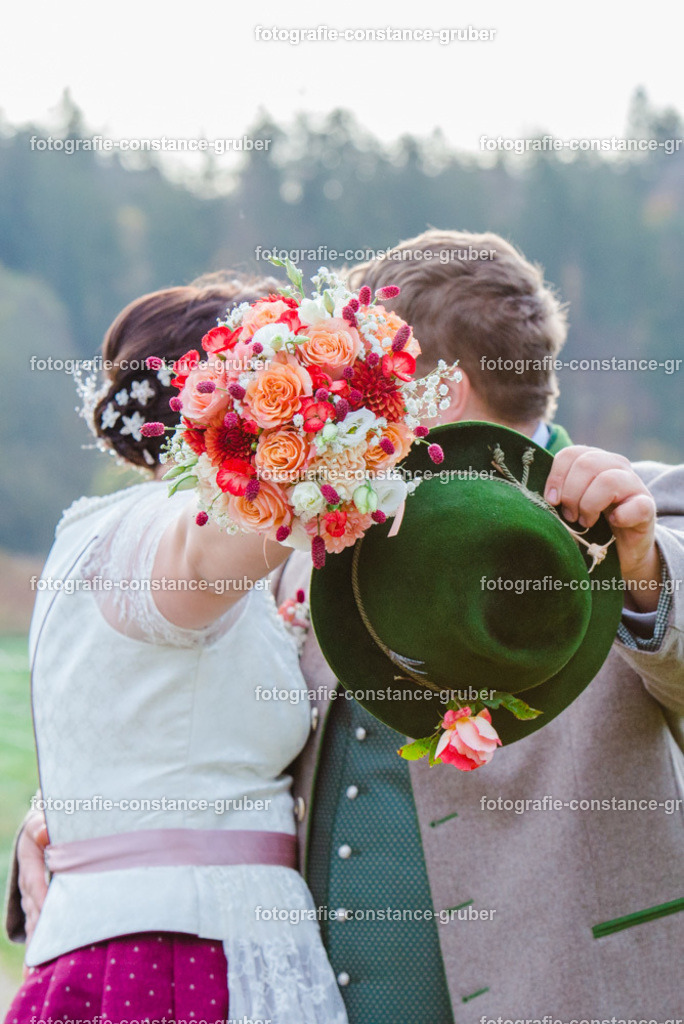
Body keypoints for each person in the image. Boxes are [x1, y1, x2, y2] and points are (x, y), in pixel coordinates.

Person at [9, 231, 684, 1021]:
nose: (344, 406)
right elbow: (185, 699)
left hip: (567, 995)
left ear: (440, 396)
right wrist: (76, 814)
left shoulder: (640, 514)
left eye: (370, 382)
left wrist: (642, 569)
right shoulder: (320, 531)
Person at [3, 274, 349, 1024]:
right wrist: (338, 450)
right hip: (175, 950)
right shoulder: (164, 529)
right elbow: (205, 551)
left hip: (166, 932)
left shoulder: (85, 533)